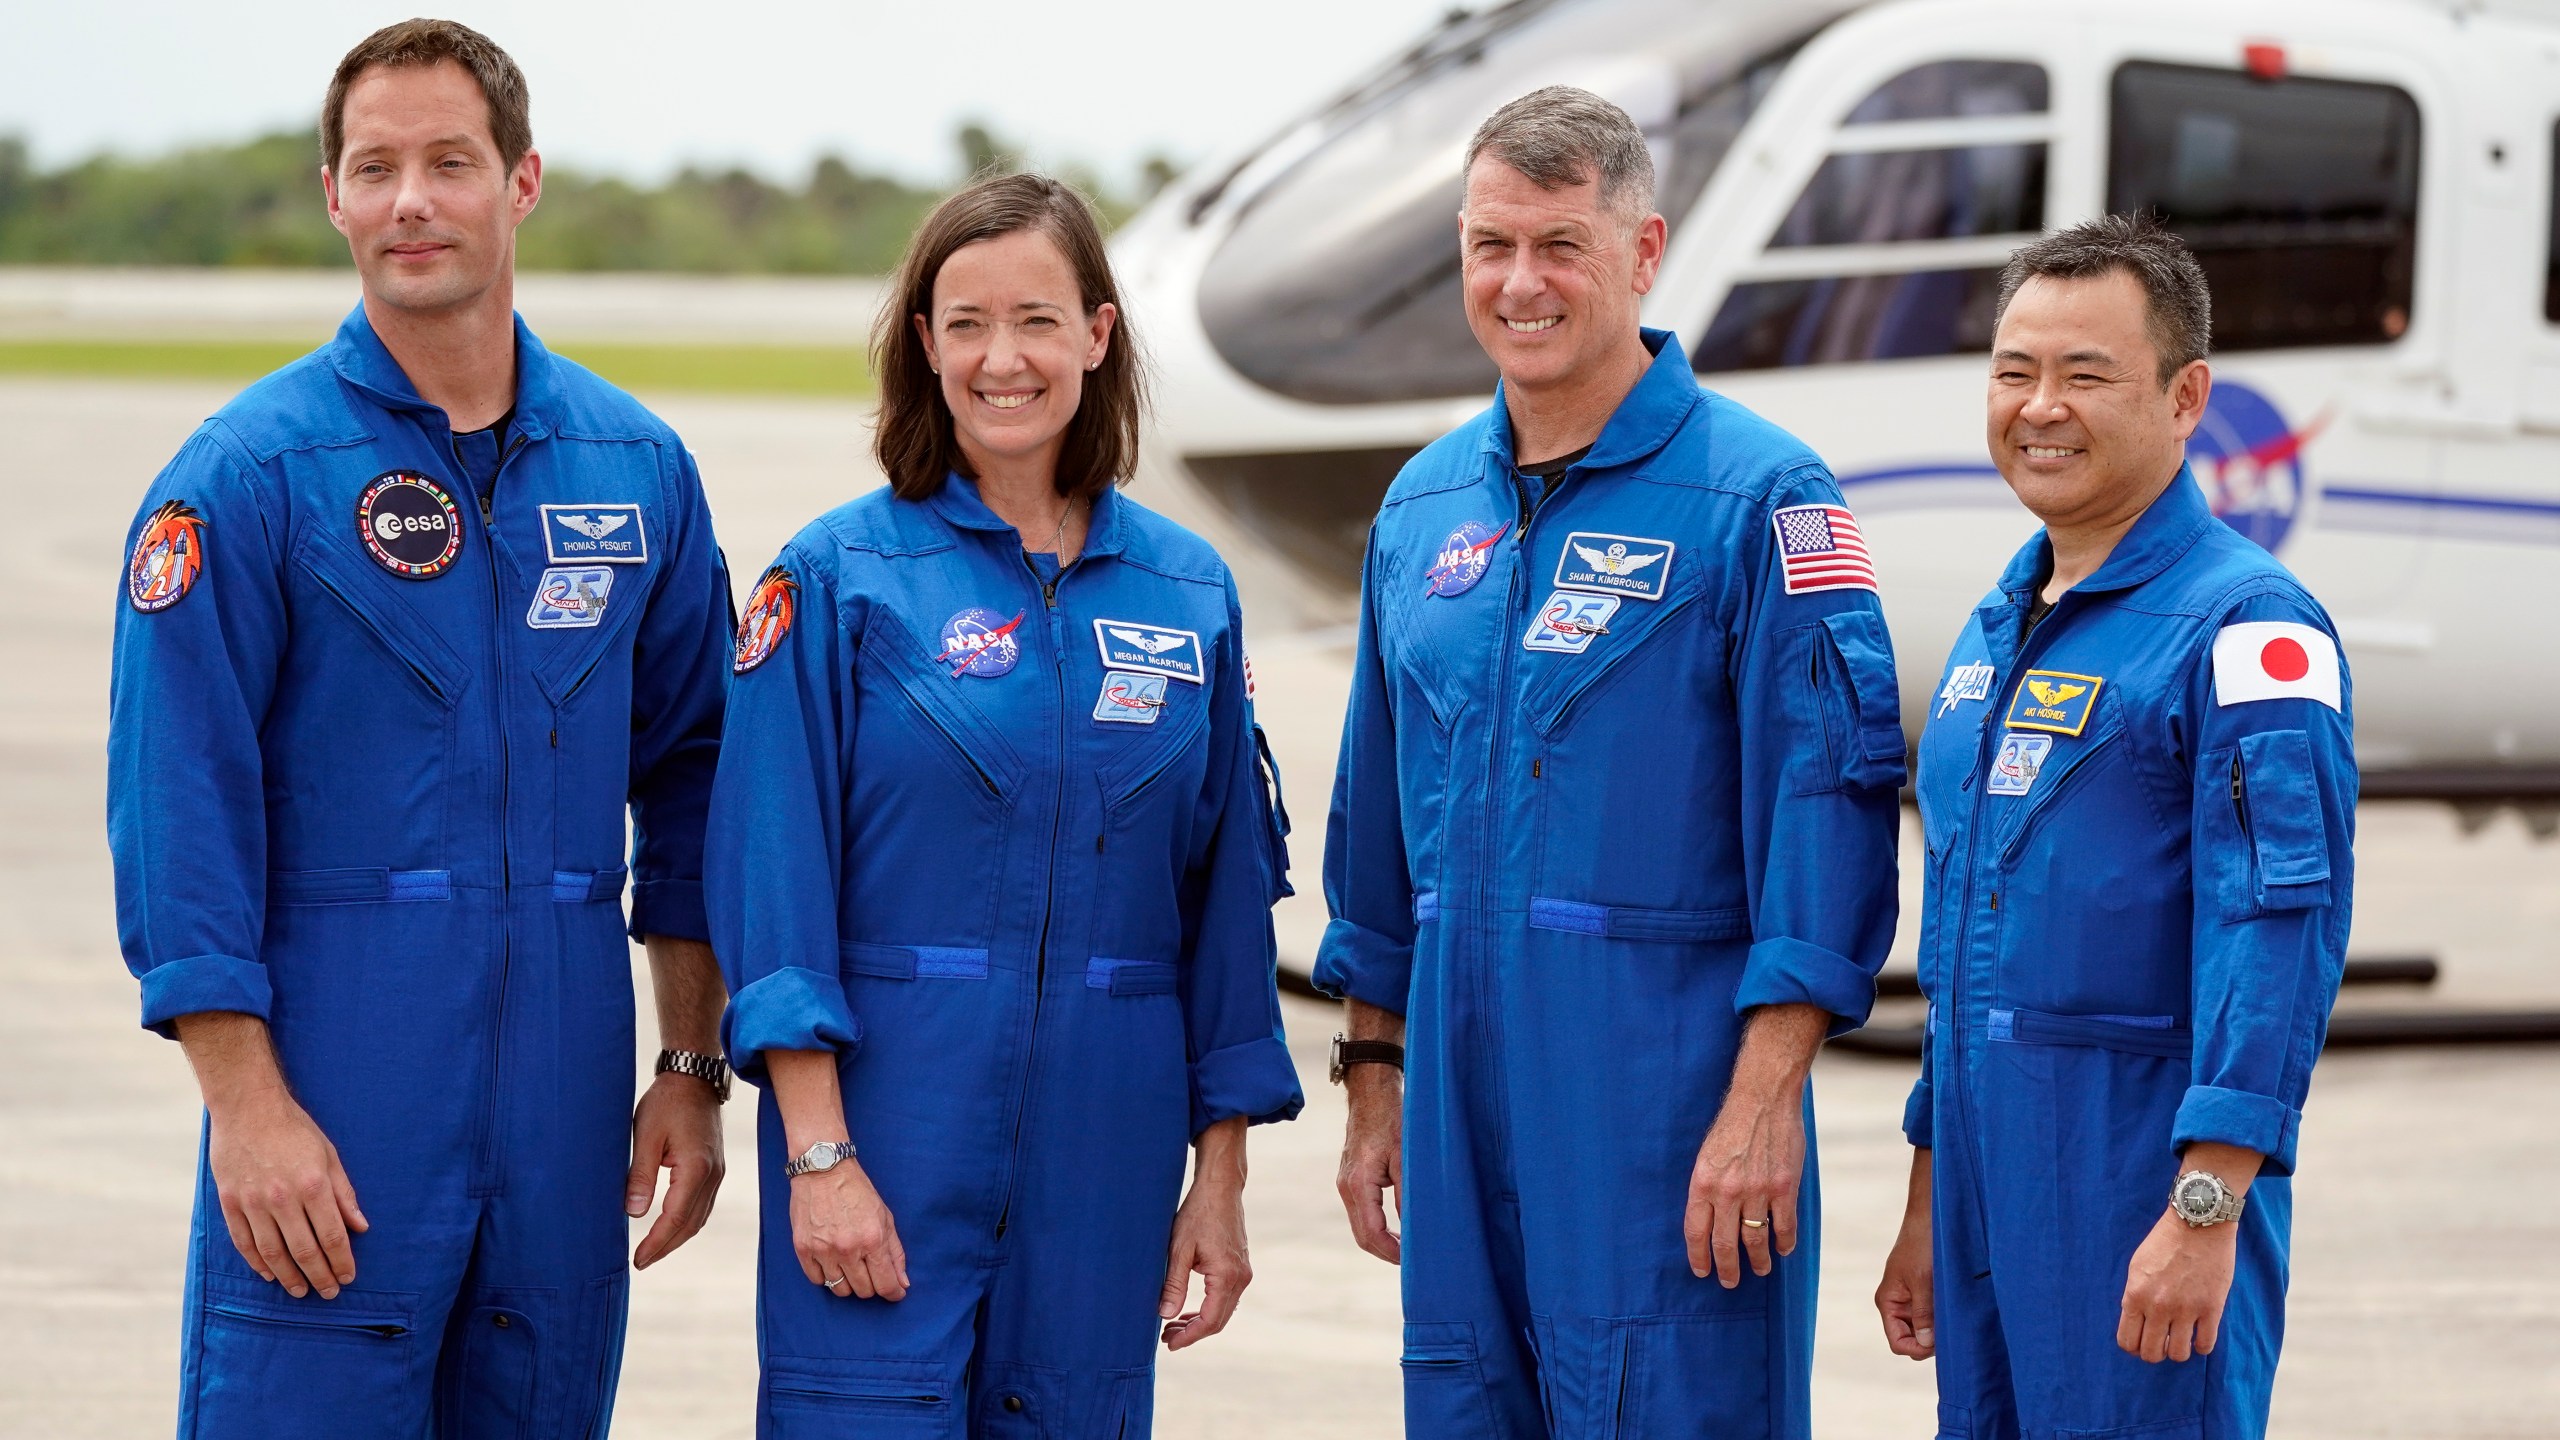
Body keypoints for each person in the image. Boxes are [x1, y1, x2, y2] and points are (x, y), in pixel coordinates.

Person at [104, 20, 735, 1436]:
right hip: (336, 1088)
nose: (411, 201)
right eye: (375, 166)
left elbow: (699, 784)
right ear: (331, 192)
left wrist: (691, 1067)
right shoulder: (247, 478)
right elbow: (177, 812)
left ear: (521, 183)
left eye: (449, 162)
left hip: (565, 1113)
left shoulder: (638, 473)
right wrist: (247, 1112)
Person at [1316, 87, 1905, 1439]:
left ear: (1644, 255)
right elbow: (1375, 839)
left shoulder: (1763, 498)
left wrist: (1763, 1103)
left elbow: (1829, 824)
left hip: (1664, 1122)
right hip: (1460, 1126)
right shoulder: (1422, 511)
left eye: (1561, 245)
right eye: (1489, 245)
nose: (1521, 283)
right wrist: (1372, 1085)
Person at [705, 172, 1302, 1438]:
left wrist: (1221, 1177)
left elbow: (1226, 912)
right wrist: (819, 1158)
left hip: (1106, 1157)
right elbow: (773, 883)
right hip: (889, 1140)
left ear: (1096, 334)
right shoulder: (837, 579)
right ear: (923, 346)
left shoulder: (1186, 592)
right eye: (964, 323)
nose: (1001, 359)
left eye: (1036, 320)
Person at [1872, 214, 2356, 1439]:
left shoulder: (2245, 629)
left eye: (2085, 375)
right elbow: (1958, 956)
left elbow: (2276, 928)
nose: (2040, 407)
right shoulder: (2000, 627)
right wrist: (1934, 1195)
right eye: (2012, 371)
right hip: (1988, 1194)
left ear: (2186, 397)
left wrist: (2206, 1209)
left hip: (2135, 1180)